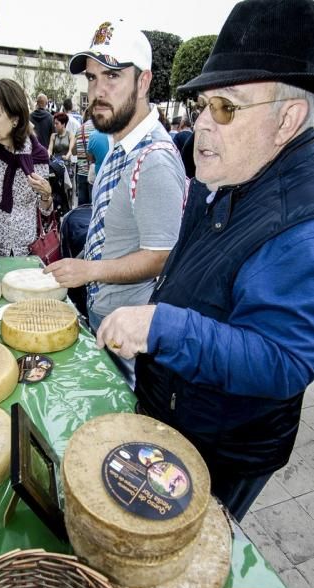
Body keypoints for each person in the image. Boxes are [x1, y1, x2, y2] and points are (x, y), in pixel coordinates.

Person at [96, 0, 314, 521]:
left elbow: (283, 361)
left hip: (223, 444)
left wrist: (163, 326)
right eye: (203, 104)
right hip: (176, 409)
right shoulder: (235, 163)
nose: (203, 122)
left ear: (288, 120)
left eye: (226, 107)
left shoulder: (301, 222)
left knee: (188, 555)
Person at [46, 19, 186, 385]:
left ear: (143, 82)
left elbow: (163, 256)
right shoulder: (120, 144)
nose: (98, 91)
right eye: (92, 78)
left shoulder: (154, 158)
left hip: (131, 346)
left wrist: (89, 271)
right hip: (107, 325)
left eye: (112, 76)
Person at [0, 79, 53, 257]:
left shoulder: (38, 155)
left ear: (15, 118)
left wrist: (46, 194)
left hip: (28, 251)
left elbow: (44, 211)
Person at [73, 108, 94, 205]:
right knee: (92, 207)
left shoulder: (79, 129)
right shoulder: (98, 129)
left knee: (82, 206)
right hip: (93, 173)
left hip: (81, 172)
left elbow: (73, 151)